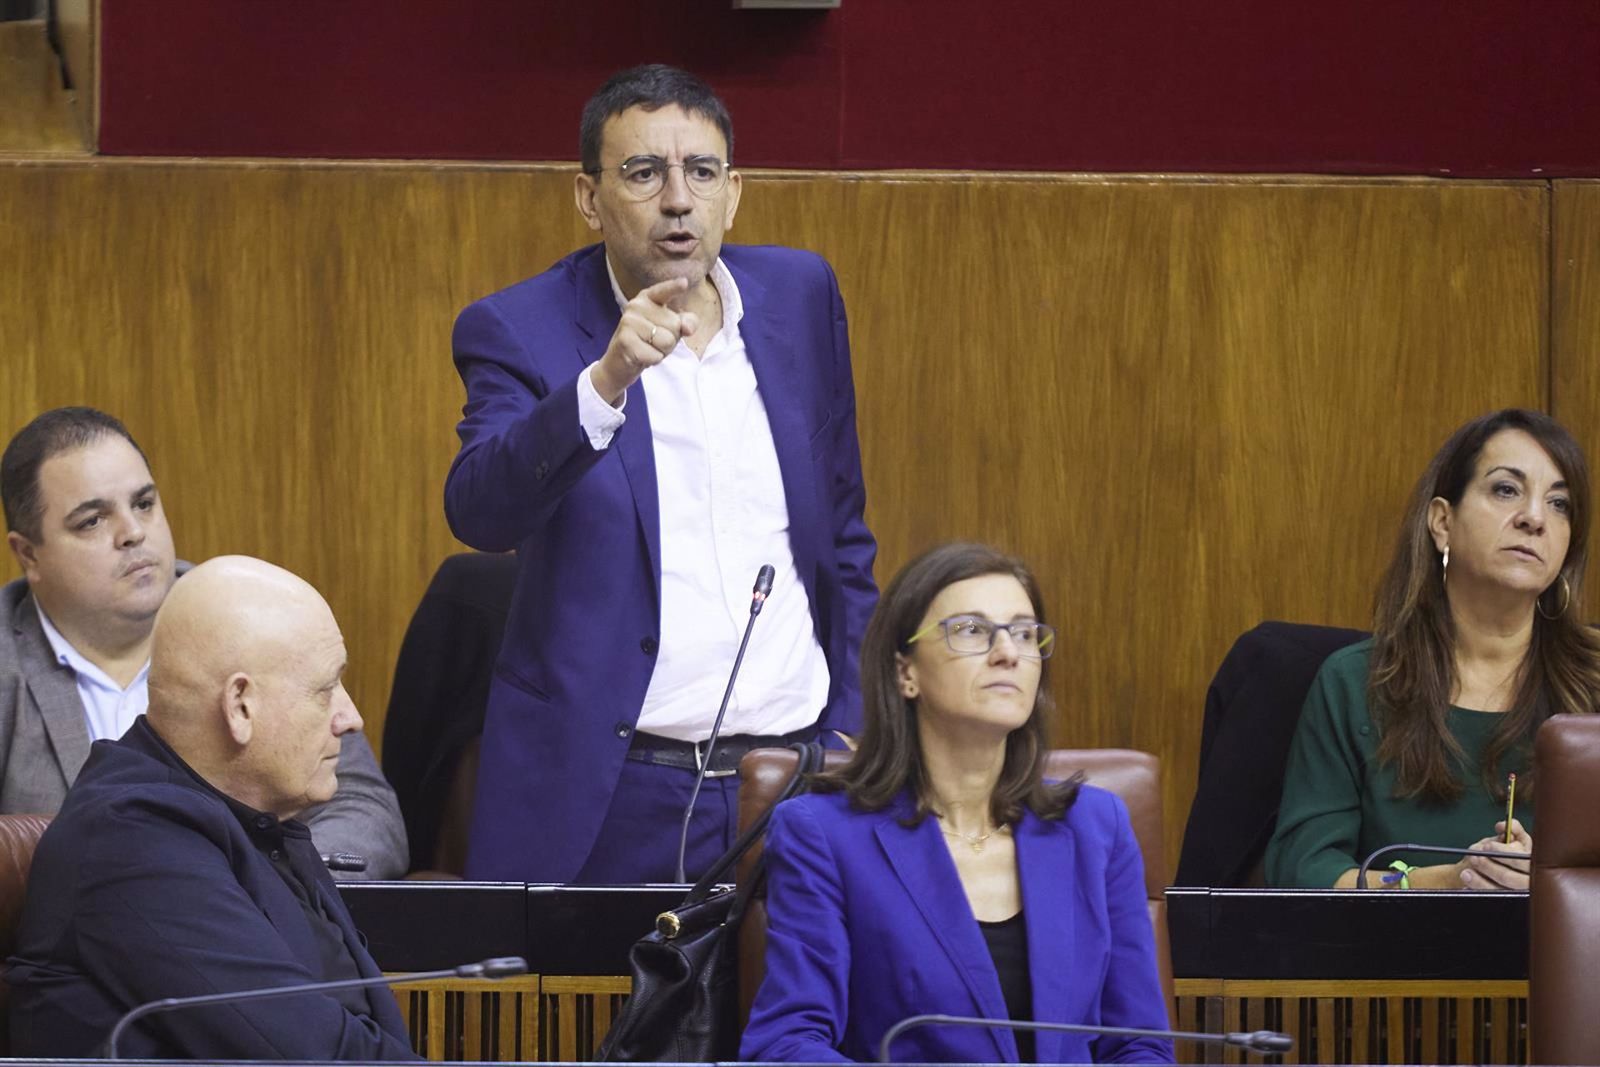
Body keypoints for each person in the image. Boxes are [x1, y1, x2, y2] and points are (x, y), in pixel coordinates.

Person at [445, 64, 877, 883]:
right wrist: (603, 384)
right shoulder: (521, 328)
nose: (679, 200)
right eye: (644, 173)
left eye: (701, 172)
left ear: (733, 192)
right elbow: (480, 512)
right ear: (589, 196)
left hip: (800, 778)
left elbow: (844, 537)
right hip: (615, 791)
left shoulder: (800, 296)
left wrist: (854, 728)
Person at [740, 543, 1171, 1064]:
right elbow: (786, 1045)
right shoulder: (824, 834)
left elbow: (1140, 1045)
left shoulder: (1096, 827)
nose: (1008, 653)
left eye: (1024, 633)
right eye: (971, 630)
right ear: (905, 672)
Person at [6, 556, 419, 1060]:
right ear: (240, 706)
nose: (350, 718)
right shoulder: (132, 844)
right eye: (325, 690)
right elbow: (313, 1057)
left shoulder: (254, 817)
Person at [0, 407, 407, 878]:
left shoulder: (245, 616)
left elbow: (366, 810)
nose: (133, 533)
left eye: (144, 503)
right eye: (92, 521)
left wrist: (264, 889)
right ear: (29, 554)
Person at [1267, 408, 1600, 889]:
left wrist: (1553, 888)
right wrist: (1445, 880)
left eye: (1559, 504)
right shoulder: (1354, 684)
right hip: (1392, 940)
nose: (1534, 518)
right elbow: (1303, 874)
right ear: (1443, 521)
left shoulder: (1593, 687)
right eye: (1506, 490)